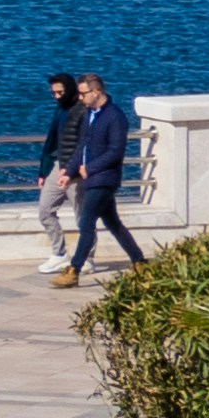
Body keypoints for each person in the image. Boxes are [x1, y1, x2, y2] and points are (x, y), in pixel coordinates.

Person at [56, 72, 146, 286]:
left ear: (96, 92)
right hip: (91, 178)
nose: (80, 98)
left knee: (86, 221)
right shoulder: (90, 114)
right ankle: (140, 261)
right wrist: (69, 171)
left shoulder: (115, 117)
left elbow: (116, 151)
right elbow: (82, 146)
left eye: (83, 93)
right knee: (113, 223)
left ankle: (73, 270)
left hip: (105, 179)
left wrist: (91, 168)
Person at [32, 72, 88, 273]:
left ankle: (87, 257)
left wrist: (73, 167)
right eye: (53, 93)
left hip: (75, 170)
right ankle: (59, 253)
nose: (56, 96)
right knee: (45, 210)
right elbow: (51, 141)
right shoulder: (60, 109)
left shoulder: (82, 110)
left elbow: (84, 143)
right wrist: (43, 170)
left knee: (83, 216)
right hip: (57, 166)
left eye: (60, 92)